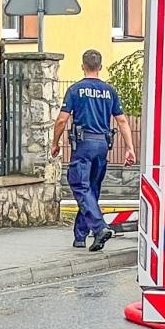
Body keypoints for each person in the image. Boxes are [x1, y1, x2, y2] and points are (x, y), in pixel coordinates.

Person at [52, 49, 137, 251]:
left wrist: (55, 143)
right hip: (102, 145)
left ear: (83, 66)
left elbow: (62, 120)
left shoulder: (75, 90)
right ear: (100, 67)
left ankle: (99, 228)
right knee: (91, 189)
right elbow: (122, 120)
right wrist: (129, 148)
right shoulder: (109, 91)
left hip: (83, 145)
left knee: (79, 186)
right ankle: (80, 237)